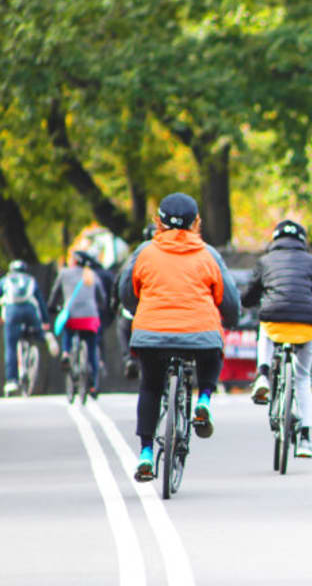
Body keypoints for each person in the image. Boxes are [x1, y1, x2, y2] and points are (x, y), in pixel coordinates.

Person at [119, 193, 241, 482]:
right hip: (200, 333)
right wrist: (231, 322)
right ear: (196, 222)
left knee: (150, 386)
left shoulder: (144, 252)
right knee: (212, 351)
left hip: (151, 334)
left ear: (158, 221)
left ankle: (147, 453)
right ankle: (205, 400)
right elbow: (230, 299)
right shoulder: (208, 254)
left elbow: (126, 292)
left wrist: (143, 312)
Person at [241, 219, 312, 458]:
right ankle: (305, 439)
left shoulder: (265, 261)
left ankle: (262, 374)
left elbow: (249, 297)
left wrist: (248, 302)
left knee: (265, 327)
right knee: (302, 377)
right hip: (307, 325)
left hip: (275, 321)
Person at [48, 250, 108, 399]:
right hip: (90, 318)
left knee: (68, 330)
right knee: (92, 350)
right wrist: (99, 307)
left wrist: (52, 307)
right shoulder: (91, 275)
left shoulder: (64, 273)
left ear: (74, 261)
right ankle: (93, 385)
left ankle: (66, 353)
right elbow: (102, 298)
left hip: (72, 316)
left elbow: (55, 294)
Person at [1, 260, 57, 394]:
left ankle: (12, 381)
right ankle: (44, 336)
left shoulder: (5, 280)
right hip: (30, 311)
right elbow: (40, 301)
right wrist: (45, 321)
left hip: (12, 311)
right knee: (37, 332)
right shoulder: (30, 280)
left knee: (11, 346)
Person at [113, 224, 157, 380]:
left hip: (141, 310)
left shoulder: (137, 255)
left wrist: (118, 303)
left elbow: (121, 281)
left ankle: (129, 359)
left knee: (124, 327)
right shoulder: (182, 253)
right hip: (176, 314)